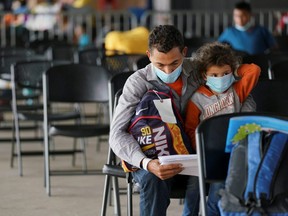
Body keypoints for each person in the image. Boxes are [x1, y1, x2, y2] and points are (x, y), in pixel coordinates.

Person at [109, 25, 201, 216]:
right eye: (160, 65)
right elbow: (116, 134)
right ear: (149, 56)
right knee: (154, 179)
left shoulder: (200, 71)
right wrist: (146, 163)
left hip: (192, 156)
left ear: (184, 52)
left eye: (175, 63)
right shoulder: (137, 82)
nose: (168, 71)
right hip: (151, 157)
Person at [185, 41, 261, 215]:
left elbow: (254, 71)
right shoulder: (196, 100)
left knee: (216, 195)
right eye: (215, 75)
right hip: (204, 153)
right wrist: (200, 152)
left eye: (225, 73)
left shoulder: (237, 90)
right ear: (205, 75)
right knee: (193, 191)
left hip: (229, 154)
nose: (221, 78)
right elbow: (191, 129)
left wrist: (234, 71)